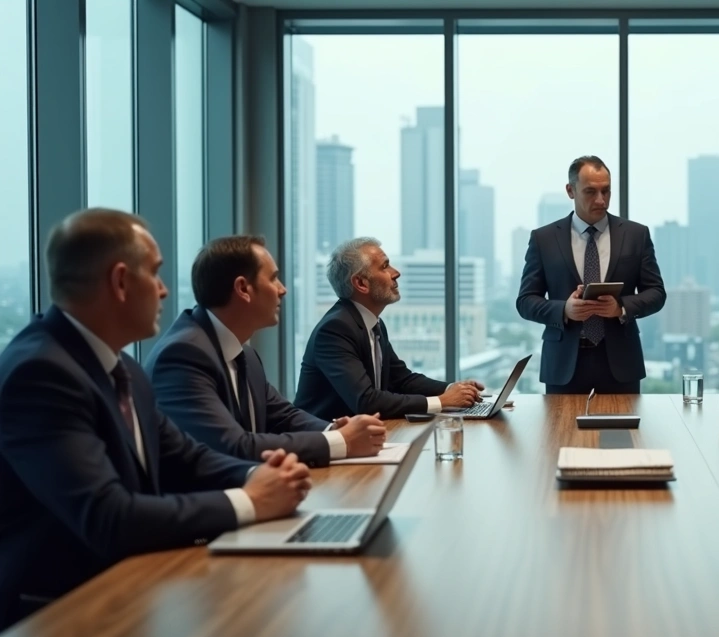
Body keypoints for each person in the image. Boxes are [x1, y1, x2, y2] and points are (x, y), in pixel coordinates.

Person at [0, 209, 310, 630]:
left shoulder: (123, 369)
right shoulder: (41, 373)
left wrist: (265, 473)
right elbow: (109, 517)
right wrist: (251, 500)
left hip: (129, 582)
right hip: (60, 609)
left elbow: (188, 458)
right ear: (121, 281)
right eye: (156, 273)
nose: (165, 291)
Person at [145, 236, 387, 467]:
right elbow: (232, 445)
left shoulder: (244, 353)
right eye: (273, 279)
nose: (283, 290)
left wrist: (335, 430)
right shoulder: (183, 354)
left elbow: (284, 416)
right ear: (243, 288)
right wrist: (341, 441)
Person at [516, 155, 666, 394]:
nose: (601, 200)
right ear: (570, 191)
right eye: (590, 192)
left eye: (606, 191)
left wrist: (621, 308)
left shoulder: (636, 235)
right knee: (562, 432)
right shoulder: (543, 239)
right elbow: (525, 302)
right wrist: (564, 310)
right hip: (564, 364)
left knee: (622, 433)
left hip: (621, 363)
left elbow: (657, 293)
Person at [295, 237, 484, 420]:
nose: (396, 273)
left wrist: (453, 389)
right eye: (385, 266)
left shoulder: (373, 323)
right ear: (361, 283)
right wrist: (442, 402)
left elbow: (402, 380)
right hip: (325, 443)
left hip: (362, 436)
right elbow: (366, 401)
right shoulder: (335, 329)